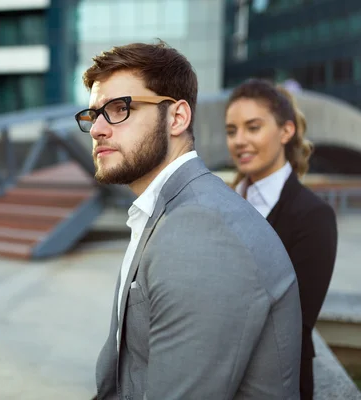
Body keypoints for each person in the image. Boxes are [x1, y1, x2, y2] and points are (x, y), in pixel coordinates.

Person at [75, 40, 302, 400]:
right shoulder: (169, 211)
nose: (99, 129)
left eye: (120, 108)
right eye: (93, 115)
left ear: (177, 118)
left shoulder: (201, 229)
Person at [225, 78, 338, 399]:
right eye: (232, 131)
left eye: (253, 127)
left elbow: (295, 322)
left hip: (276, 383)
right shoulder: (223, 203)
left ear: (286, 131)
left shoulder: (313, 216)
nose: (239, 141)